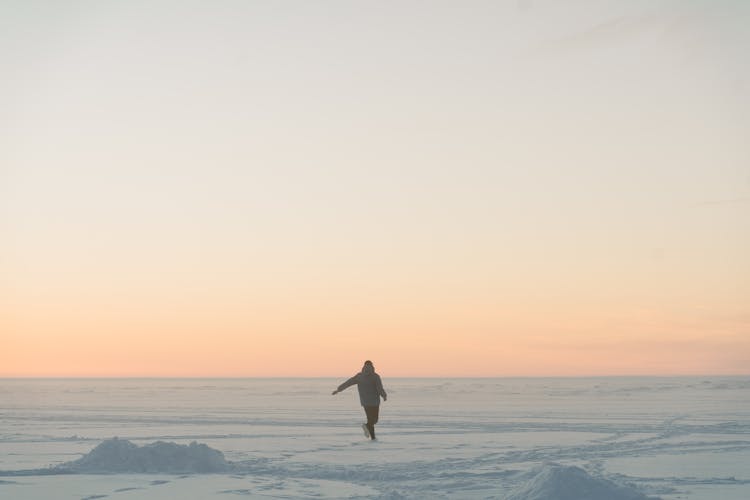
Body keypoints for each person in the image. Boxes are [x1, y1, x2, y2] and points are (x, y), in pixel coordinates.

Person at [332, 360, 387, 440]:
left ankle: (372, 437)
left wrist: (338, 390)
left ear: (364, 366)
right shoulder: (375, 376)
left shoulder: (359, 376)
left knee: (370, 420)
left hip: (365, 402)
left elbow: (348, 383)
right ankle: (371, 434)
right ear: (372, 366)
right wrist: (384, 395)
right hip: (374, 402)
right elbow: (379, 388)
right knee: (374, 420)